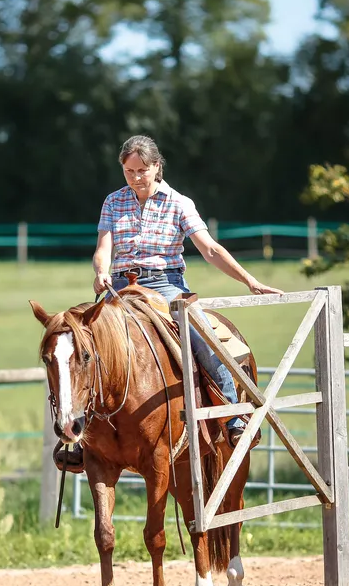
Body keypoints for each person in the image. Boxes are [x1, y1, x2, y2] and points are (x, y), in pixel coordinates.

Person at [53, 135, 282, 473]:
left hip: (166, 286)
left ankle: (234, 415)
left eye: (142, 170)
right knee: (81, 344)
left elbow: (211, 250)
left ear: (157, 166)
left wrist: (250, 281)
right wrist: (101, 272)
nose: (135, 177)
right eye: (128, 171)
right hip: (119, 286)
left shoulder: (179, 203)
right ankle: (74, 432)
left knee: (203, 339)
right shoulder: (113, 202)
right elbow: (103, 247)